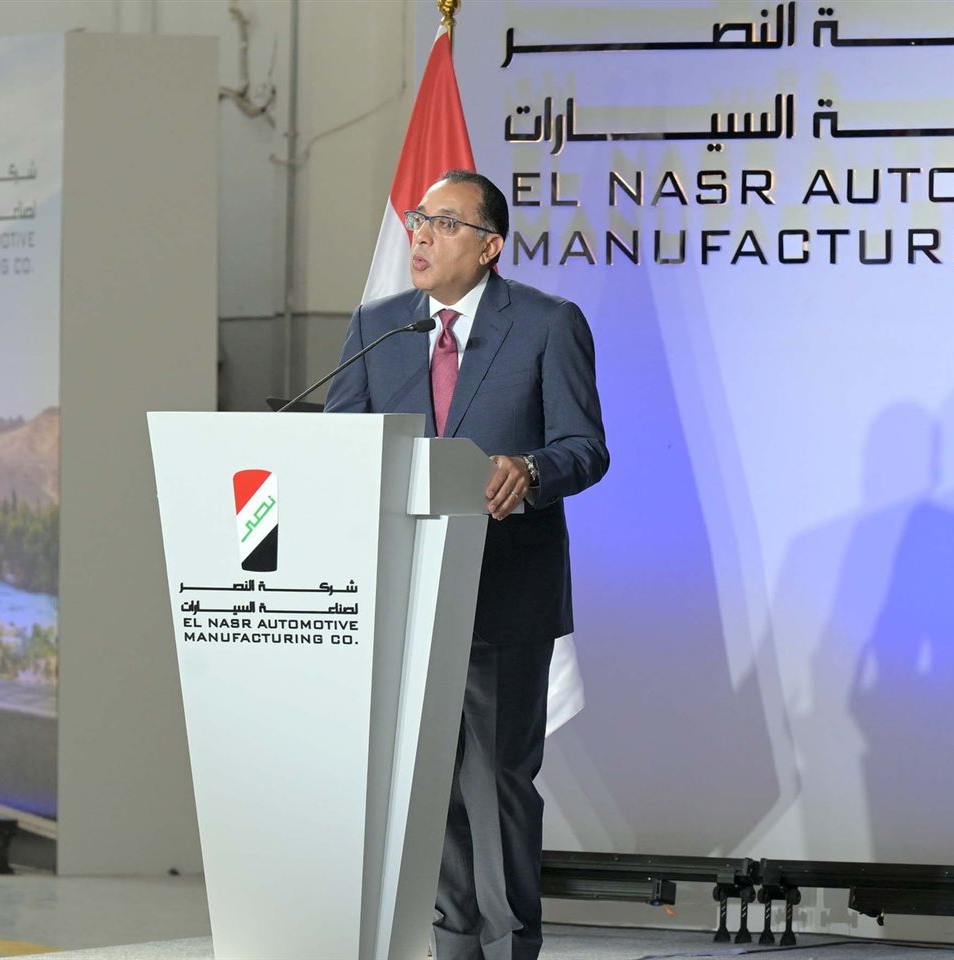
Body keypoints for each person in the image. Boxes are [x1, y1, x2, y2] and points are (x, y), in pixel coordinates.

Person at [325, 169, 610, 960]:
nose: (421, 235)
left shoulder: (547, 324)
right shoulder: (380, 327)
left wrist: (530, 470)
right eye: (419, 220)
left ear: (490, 247)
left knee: (496, 782)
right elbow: (340, 444)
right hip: (405, 593)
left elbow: (586, 447)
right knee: (429, 785)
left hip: (504, 592)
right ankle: (453, 945)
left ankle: (513, 944)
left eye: (444, 224)